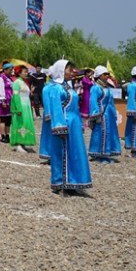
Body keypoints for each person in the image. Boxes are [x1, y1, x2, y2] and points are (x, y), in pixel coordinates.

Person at [43, 59, 93, 196]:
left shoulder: (68, 87)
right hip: (64, 124)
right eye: (69, 70)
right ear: (61, 71)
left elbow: (74, 107)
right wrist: (60, 127)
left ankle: (73, 181)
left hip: (74, 124)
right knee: (62, 153)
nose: (73, 72)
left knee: (75, 153)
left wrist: (80, 124)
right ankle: (61, 183)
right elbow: (56, 109)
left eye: (73, 70)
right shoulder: (55, 88)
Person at [87, 66, 121, 162]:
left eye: (108, 74)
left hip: (109, 115)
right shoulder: (95, 88)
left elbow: (111, 102)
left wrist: (114, 113)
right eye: (105, 74)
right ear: (99, 75)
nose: (107, 76)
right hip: (101, 115)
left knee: (109, 133)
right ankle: (99, 154)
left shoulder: (107, 87)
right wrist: (96, 114)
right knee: (101, 133)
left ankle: (107, 152)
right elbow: (93, 101)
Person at [9, 65, 37, 152]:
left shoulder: (25, 82)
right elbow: (15, 96)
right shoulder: (17, 82)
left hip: (27, 106)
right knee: (20, 124)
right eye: (24, 71)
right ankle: (19, 144)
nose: (26, 73)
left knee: (26, 124)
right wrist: (18, 109)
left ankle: (24, 142)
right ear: (19, 73)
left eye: (27, 71)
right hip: (21, 106)